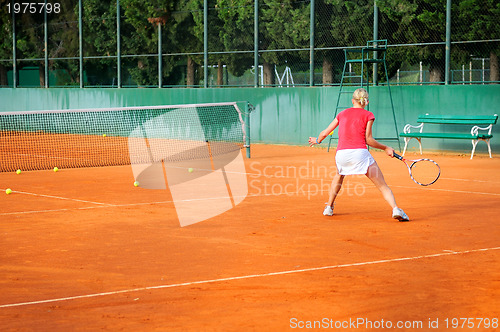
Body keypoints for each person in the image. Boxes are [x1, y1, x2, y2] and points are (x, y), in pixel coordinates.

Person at [308, 88, 409, 221]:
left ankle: (329, 207)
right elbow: (368, 140)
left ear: (352, 100)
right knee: (382, 185)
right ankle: (396, 209)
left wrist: (317, 140)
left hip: (341, 155)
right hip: (360, 154)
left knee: (339, 176)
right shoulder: (369, 115)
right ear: (366, 102)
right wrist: (385, 148)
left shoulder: (342, 113)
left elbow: (325, 132)